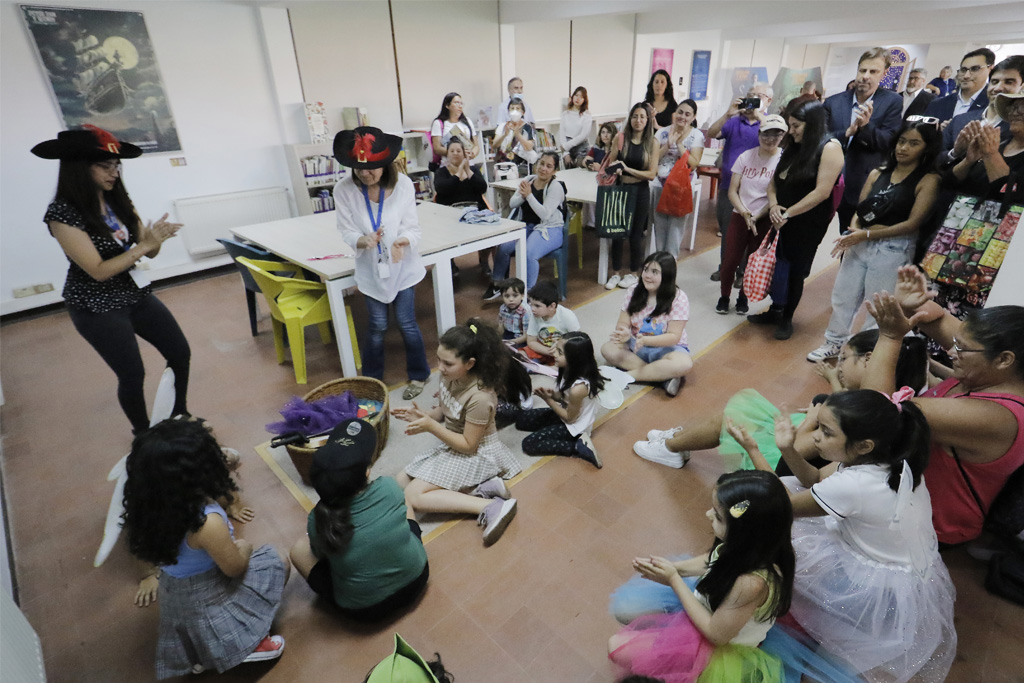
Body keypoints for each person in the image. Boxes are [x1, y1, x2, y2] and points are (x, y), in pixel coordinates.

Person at [773, 389, 957, 682]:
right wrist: (788, 448)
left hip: (876, 582)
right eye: (817, 426)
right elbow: (815, 481)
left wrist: (757, 466)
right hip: (910, 570)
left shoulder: (854, 485)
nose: (816, 437)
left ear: (863, 445)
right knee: (790, 487)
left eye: (826, 431)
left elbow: (780, 510)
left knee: (779, 523)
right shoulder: (891, 458)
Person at [32, 126, 191, 435]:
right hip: (95, 304)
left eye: (117, 166)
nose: (114, 173)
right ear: (79, 167)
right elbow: (99, 270)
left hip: (134, 294)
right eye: (105, 166)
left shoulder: (117, 199)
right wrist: (145, 245)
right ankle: (144, 435)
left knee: (179, 352)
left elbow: (150, 253)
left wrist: (156, 238)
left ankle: (179, 414)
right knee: (132, 374)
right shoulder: (62, 213)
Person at [864, 267, 1024, 546]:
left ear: (1004, 359)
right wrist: (909, 301)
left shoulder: (999, 417)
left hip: (930, 526)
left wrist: (890, 336)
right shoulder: (995, 367)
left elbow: (872, 411)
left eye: (961, 349)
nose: (951, 352)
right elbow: (934, 317)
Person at [121, 419, 288, 678]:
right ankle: (251, 644)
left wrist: (148, 575)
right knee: (277, 563)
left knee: (198, 627)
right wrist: (244, 548)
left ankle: (198, 653)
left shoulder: (146, 507)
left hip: (175, 594)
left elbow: (136, 546)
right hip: (211, 592)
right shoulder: (207, 522)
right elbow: (234, 568)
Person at [633, 329, 927, 471]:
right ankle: (679, 440)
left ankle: (672, 447)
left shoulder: (857, 420)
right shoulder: (883, 406)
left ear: (869, 361)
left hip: (790, 453)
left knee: (733, 414)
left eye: (845, 358)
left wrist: (813, 419)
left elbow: (799, 447)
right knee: (742, 404)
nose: (839, 364)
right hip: (803, 434)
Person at [607, 470, 796, 682]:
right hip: (708, 607)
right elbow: (712, 559)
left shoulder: (752, 583)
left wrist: (674, 580)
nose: (708, 514)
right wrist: (674, 568)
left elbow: (717, 635)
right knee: (626, 611)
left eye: (717, 515)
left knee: (617, 648)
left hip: (718, 643)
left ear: (744, 530)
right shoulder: (749, 546)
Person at [806, 119, 941, 363]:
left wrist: (867, 234)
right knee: (843, 295)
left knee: (877, 303)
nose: (903, 148)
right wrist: (854, 232)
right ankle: (833, 342)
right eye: (901, 141)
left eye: (913, 143)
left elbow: (913, 224)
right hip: (860, 242)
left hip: (894, 247)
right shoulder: (879, 172)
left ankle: (864, 353)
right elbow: (861, 207)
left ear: (926, 149)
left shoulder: (928, 180)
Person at [393, 320, 522, 546]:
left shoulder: (480, 397)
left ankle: (492, 506)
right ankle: (482, 488)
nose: (440, 367)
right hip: (456, 445)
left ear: (470, 363)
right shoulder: (450, 377)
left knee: (413, 496)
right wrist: (425, 415)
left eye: (447, 363)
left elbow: (469, 445)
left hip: (478, 452)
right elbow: (445, 410)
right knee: (401, 481)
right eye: (438, 359)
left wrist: (431, 427)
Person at [289, 419, 429, 621]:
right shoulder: (388, 487)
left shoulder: (317, 519)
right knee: (404, 499)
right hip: (417, 578)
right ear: (367, 472)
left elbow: (322, 556)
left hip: (365, 611)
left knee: (298, 550)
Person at [334, 127, 430, 401]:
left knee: (406, 322)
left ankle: (420, 374)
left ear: (384, 165)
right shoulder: (344, 190)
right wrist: (362, 240)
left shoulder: (403, 186)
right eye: (358, 169)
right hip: (371, 269)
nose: (365, 174)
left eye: (371, 168)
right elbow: (346, 229)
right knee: (376, 326)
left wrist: (402, 242)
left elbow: (414, 228)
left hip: (403, 267)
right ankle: (372, 381)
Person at [751, 100, 844, 340]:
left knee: (795, 270)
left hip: (806, 221)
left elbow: (821, 192)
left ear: (811, 124)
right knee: (777, 265)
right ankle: (774, 309)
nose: (791, 131)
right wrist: (773, 205)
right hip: (780, 217)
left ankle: (786, 318)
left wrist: (788, 213)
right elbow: (774, 183)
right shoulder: (794, 145)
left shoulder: (829, 147)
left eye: (796, 126)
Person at [822, 47, 903, 232]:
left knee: (848, 237)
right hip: (825, 180)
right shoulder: (833, 102)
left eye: (873, 71)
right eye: (862, 70)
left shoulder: (892, 101)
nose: (865, 76)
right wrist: (846, 133)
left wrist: (866, 127)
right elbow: (820, 138)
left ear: (884, 73)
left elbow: (889, 141)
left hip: (861, 183)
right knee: (809, 236)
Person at [717, 114, 787, 315]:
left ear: (782, 136)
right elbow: (732, 191)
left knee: (752, 262)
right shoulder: (746, 157)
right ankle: (724, 296)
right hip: (740, 215)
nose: (770, 139)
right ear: (759, 134)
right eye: (766, 134)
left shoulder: (782, 159)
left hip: (764, 219)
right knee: (730, 260)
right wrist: (745, 212)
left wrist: (757, 216)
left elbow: (776, 193)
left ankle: (743, 298)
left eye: (776, 135)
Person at [707, 83, 774, 281]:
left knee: (750, 232)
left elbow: (778, 139)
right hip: (729, 186)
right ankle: (725, 267)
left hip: (757, 191)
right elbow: (712, 133)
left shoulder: (769, 123)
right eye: (750, 95)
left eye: (758, 96)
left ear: (768, 101)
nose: (752, 99)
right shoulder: (734, 121)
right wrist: (728, 114)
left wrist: (759, 115)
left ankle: (743, 271)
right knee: (728, 230)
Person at [601, 252, 691, 397]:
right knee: (607, 349)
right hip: (637, 346)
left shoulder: (679, 298)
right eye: (646, 269)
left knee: (684, 364)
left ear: (667, 276)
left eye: (655, 272)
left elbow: (674, 336)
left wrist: (646, 340)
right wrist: (623, 332)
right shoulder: (633, 290)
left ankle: (627, 376)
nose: (647, 275)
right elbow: (623, 321)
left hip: (667, 348)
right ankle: (663, 377)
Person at [515, 331, 604, 468]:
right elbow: (565, 397)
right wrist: (554, 395)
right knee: (521, 420)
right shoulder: (568, 370)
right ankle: (553, 430)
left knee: (529, 444)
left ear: (574, 358)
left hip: (574, 426)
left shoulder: (579, 388)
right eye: (556, 349)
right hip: (565, 412)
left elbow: (570, 418)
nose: (554, 354)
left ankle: (577, 447)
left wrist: (549, 401)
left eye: (560, 352)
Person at [484, 151, 566, 296]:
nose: (543, 169)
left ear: (555, 170)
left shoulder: (556, 187)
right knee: (503, 247)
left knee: (529, 253)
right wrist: (524, 195)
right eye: (541, 164)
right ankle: (497, 284)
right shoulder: (529, 180)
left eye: (549, 166)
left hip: (550, 229)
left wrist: (529, 195)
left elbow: (545, 214)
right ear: (537, 164)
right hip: (527, 225)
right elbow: (513, 203)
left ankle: (529, 293)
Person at [604, 103, 660, 290]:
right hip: (620, 189)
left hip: (641, 191)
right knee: (617, 233)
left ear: (648, 120)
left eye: (642, 117)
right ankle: (615, 273)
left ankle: (634, 273)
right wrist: (617, 169)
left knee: (636, 235)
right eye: (635, 116)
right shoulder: (620, 138)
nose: (638, 120)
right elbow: (611, 165)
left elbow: (652, 174)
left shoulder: (652, 142)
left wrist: (627, 169)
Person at [650, 99, 704, 258]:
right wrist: (667, 145)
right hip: (660, 184)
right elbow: (653, 160)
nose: (682, 117)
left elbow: (693, 164)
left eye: (687, 114)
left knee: (675, 229)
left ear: (693, 117)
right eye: (680, 112)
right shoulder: (662, 132)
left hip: (682, 188)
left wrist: (680, 145)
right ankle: (659, 264)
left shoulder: (697, 135)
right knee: (659, 227)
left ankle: (670, 265)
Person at [946, 92, 1024, 202]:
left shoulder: (992, 149)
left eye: (1022, 108)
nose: (1015, 113)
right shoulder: (996, 142)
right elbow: (948, 183)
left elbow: (1011, 197)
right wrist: (968, 161)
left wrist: (991, 155)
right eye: (1013, 107)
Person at [925, 48, 996, 124]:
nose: (966, 76)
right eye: (963, 70)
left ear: (990, 69)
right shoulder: (937, 104)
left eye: (975, 69)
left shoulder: (995, 106)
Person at [523, 279, 581, 363]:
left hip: (562, 349)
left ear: (552, 306)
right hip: (543, 348)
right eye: (531, 304)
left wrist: (559, 347)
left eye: (537, 306)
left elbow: (577, 340)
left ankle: (555, 368)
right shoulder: (535, 315)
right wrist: (548, 351)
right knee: (520, 354)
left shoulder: (567, 316)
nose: (532, 309)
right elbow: (531, 341)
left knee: (575, 357)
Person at [432, 137, 487, 209]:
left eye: (458, 151)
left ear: (464, 154)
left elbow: (483, 188)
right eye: (452, 151)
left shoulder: (473, 170)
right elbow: (441, 189)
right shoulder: (440, 172)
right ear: (447, 154)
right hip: (450, 211)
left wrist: (468, 170)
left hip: (475, 211)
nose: (455, 153)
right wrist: (458, 173)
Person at [430, 92, 479, 169]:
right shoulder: (439, 123)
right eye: (456, 103)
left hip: (468, 165)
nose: (460, 106)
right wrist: (457, 153)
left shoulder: (467, 121)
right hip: (448, 166)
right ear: (447, 105)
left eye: (461, 103)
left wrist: (473, 154)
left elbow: (476, 145)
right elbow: (437, 148)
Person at [492, 96, 537, 177]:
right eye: (512, 108)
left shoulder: (527, 128)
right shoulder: (502, 126)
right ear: (508, 111)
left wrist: (518, 134)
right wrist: (505, 135)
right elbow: (495, 145)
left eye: (517, 108)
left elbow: (529, 147)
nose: (514, 111)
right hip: (503, 165)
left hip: (521, 167)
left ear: (523, 112)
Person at [559, 86, 593, 168]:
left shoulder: (586, 115)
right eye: (576, 95)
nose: (578, 98)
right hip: (568, 148)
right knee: (569, 174)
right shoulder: (565, 114)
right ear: (572, 96)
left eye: (581, 97)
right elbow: (562, 133)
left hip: (581, 148)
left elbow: (584, 135)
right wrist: (565, 153)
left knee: (581, 173)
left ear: (584, 100)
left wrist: (566, 146)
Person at [496, 277, 529, 346]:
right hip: (507, 334)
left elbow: (527, 336)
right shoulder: (502, 308)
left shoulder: (525, 312)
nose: (511, 299)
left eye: (515, 295)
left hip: (520, 337)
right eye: (507, 296)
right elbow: (500, 326)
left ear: (522, 295)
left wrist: (511, 342)